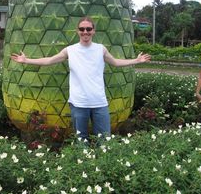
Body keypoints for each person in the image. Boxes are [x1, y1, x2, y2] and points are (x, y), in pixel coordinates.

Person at [11, 16, 151, 141]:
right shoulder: (70, 50)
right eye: (82, 29)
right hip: (79, 104)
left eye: (88, 29)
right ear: (77, 31)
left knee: (104, 140)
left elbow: (116, 62)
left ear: (93, 31)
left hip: (99, 103)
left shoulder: (101, 49)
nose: (85, 32)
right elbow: (49, 61)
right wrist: (26, 60)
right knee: (81, 139)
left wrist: (136, 61)